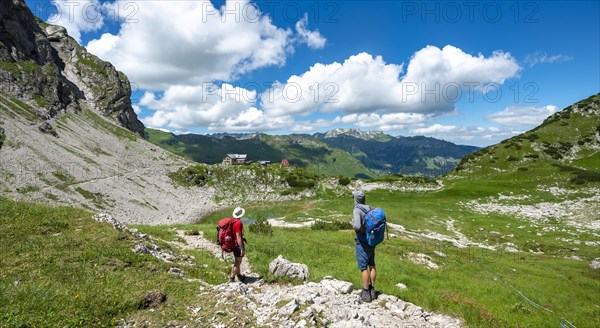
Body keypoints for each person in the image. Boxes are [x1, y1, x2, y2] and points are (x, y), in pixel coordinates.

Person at [351, 190, 377, 302]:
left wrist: (352, 222)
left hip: (362, 242)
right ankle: (372, 290)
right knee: (372, 265)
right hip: (372, 241)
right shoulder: (370, 208)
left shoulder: (357, 210)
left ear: (356, 199)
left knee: (363, 267)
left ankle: (366, 292)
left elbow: (357, 226)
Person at [229, 207, 246, 283]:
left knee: (237, 260)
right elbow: (238, 237)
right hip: (237, 245)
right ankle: (232, 278)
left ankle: (239, 276)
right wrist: (241, 248)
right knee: (238, 262)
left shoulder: (232, 221)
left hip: (233, 244)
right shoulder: (238, 223)